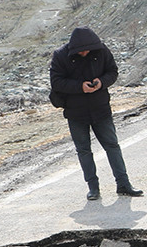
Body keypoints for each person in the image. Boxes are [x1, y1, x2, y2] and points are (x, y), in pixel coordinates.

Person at [49, 26, 142, 200]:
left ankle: (123, 184)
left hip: (100, 109)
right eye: (80, 51)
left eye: (87, 50)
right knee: (84, 150)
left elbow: (112, 72)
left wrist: (102, 82)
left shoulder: (101, 50)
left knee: (112, 146)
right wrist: (80, 87)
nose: (84, 53)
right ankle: (93, 188)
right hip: (75, 112)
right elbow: (56, 82)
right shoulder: (60, 55)